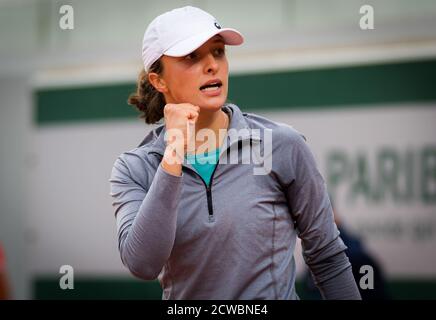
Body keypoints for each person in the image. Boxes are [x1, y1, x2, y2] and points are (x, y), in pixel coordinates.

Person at [109, 5, 361, 300]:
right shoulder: (134, 168)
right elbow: (143, 264)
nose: (212, 65)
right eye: (191, 57)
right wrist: (173, 154)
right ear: (158, 80)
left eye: (218, 52)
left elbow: (328, 258)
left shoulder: (283, 145)